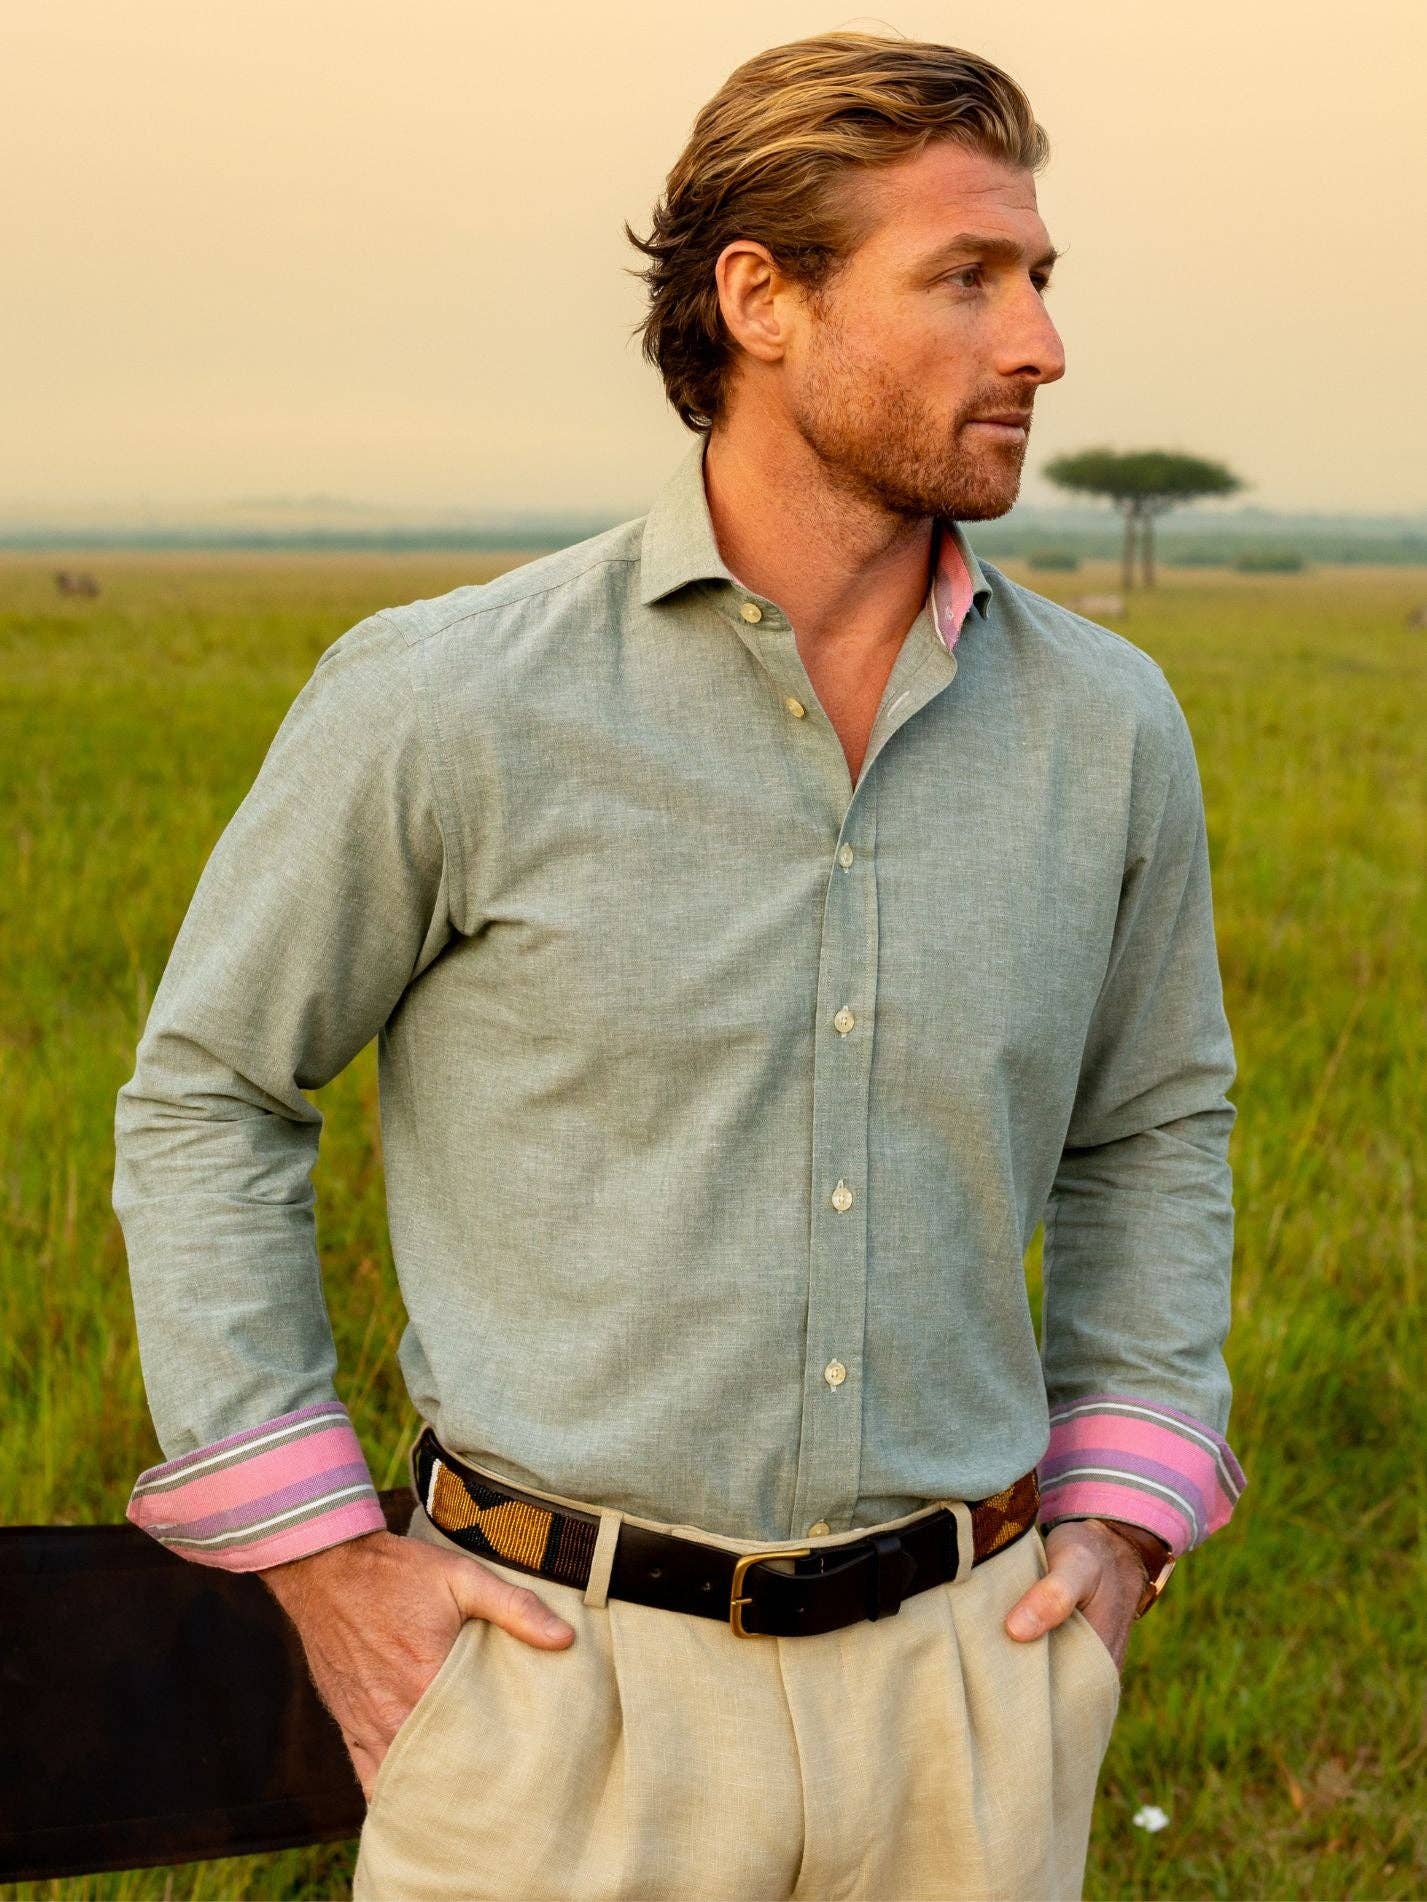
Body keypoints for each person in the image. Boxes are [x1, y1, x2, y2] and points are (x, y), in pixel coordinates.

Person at [113, 31, 1245, 1902]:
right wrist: (320, 1561)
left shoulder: (1111, 730)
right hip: (552, 1706)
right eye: (966, 278)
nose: (1041, 343)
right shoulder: (448, 700)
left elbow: (1156, 1125)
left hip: (974, 1703)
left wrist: (1121, 1525)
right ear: (761, 299)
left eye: (1040, 278)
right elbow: (209, 1093)